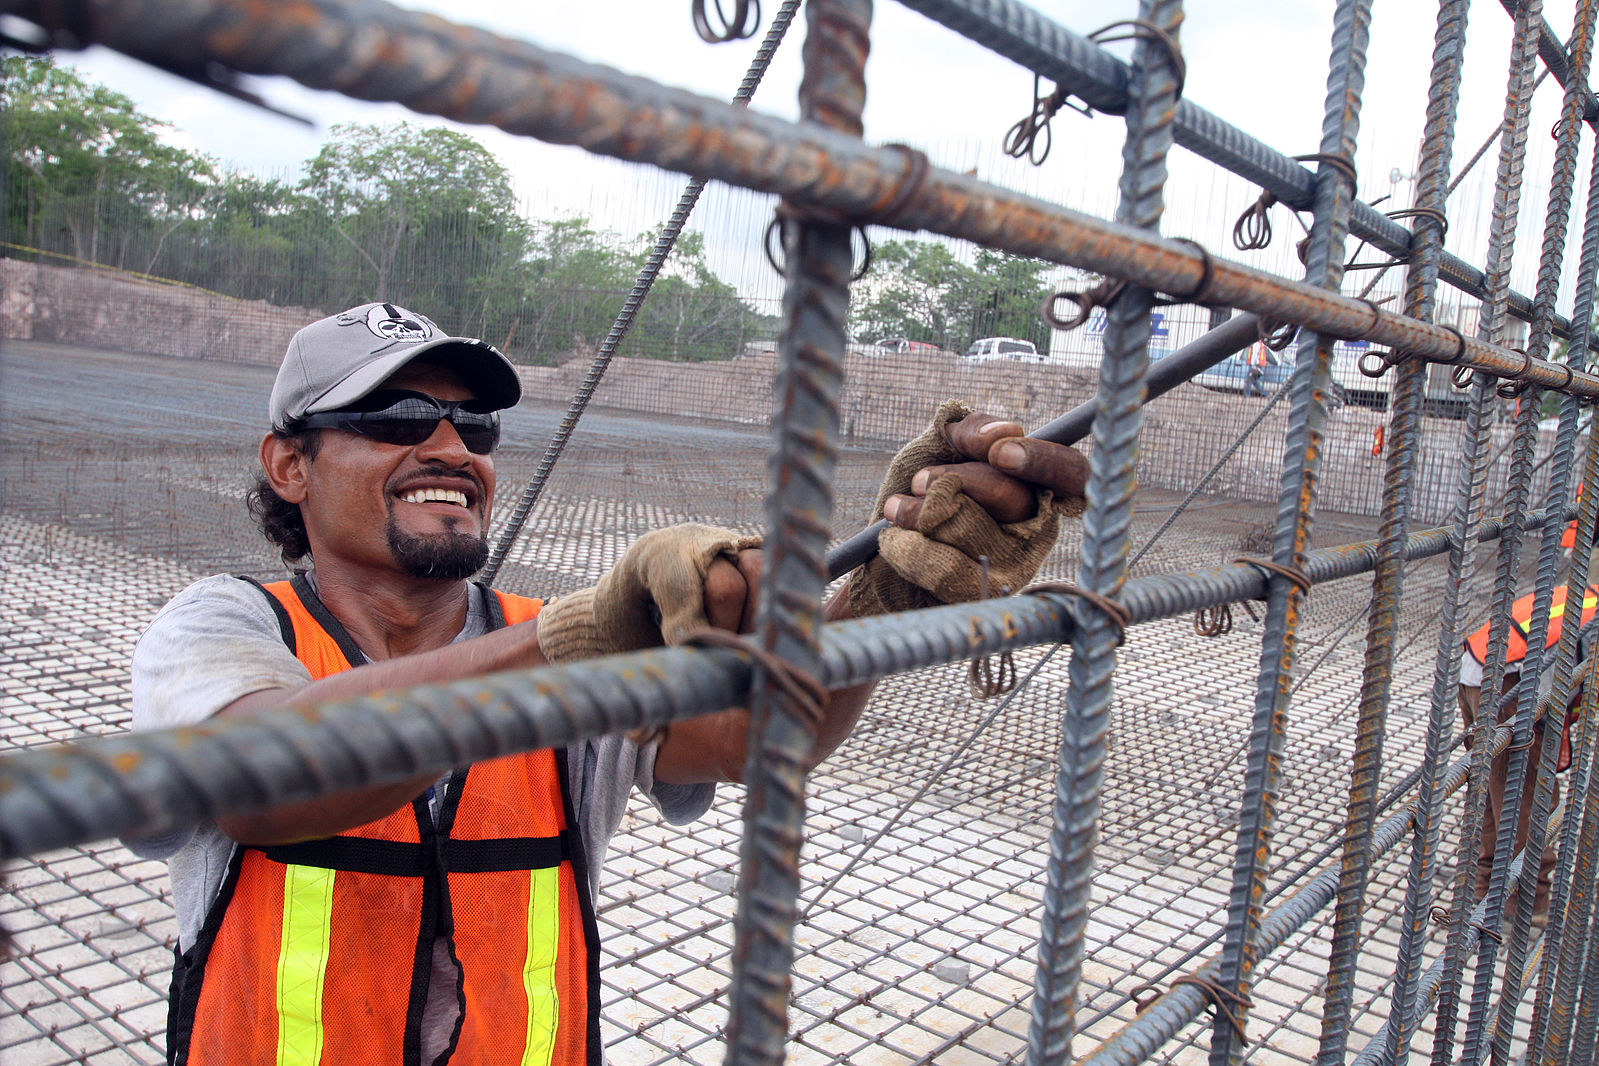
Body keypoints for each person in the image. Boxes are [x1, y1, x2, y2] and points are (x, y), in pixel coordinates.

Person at [129, 302, 1089, 1065]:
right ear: (289, 464)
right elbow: (260, 780)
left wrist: (884, 598)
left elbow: (753, 736)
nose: (453, 447)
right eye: (395, 419)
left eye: (474, 424)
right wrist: (573, 639)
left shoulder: (532, 634)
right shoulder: (226, 625)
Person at [1458, 580, 1593, 926]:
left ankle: (1487, 887)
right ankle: (1527, 902)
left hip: (1478, 670)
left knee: (1495, 789)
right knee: (1528, 797)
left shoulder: (1588, 594)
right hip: (1508, 684)